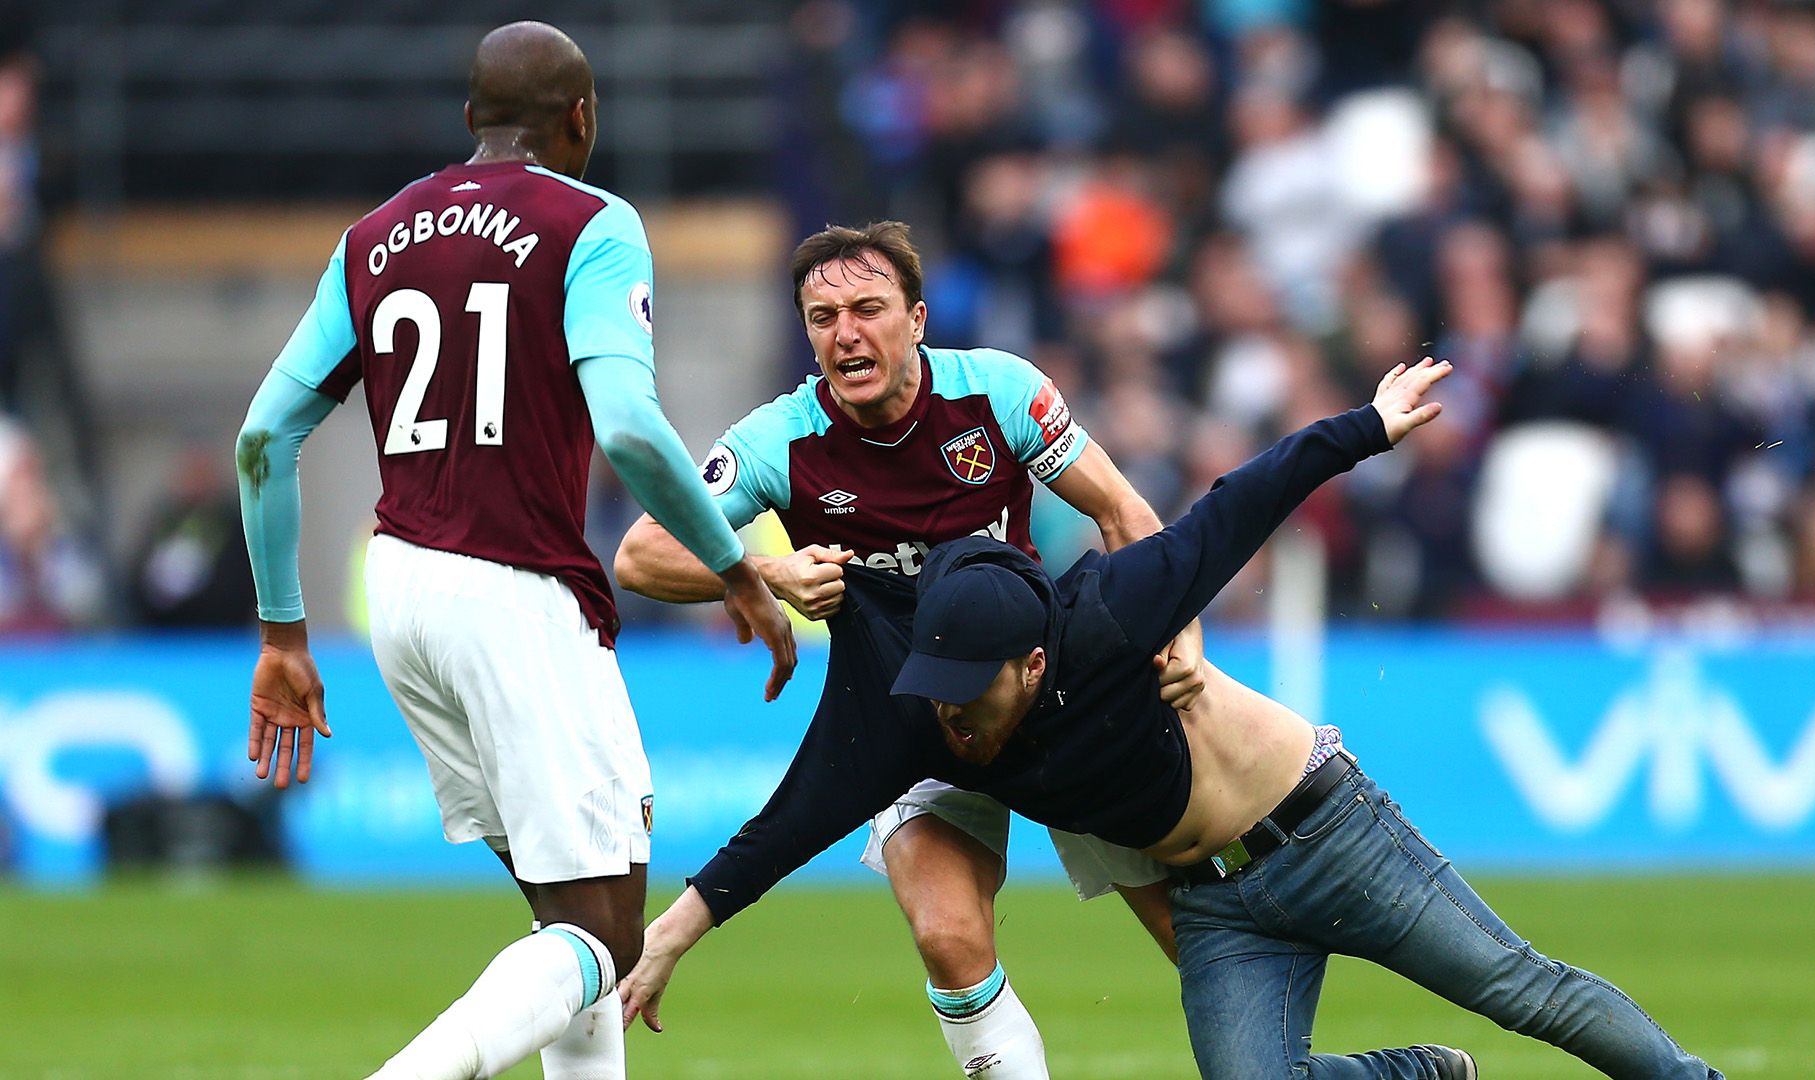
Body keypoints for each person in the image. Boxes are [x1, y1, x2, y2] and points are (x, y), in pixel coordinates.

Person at [623, 360, 1726, 1080]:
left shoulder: (1109, 614)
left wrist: (1370, 425)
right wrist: (670, 936)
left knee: (1522, 992)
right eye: (936, 692)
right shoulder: (924, 720)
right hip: (1215, 906)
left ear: (1036, 658)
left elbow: (1239, 504)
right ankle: (1416, 1077)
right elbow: (791, 824)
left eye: (970, 690)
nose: (950, 718)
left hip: (1325, 836)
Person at [234, 22, 795, 1080]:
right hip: (517, 591)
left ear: (470, 123)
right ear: (582, 119)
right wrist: (734, 568)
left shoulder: (374, 235)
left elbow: (264, 435)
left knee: (563, 913)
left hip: (400, 587)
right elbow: (628, 429)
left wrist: (280, 629)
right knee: (608, 936)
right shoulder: (594, 223)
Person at [614, 219, 1204, 1079]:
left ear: (918, 319)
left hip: (1045, 693)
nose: (845, 333)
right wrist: (769, 571)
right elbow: (641, 554)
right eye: (822, 317)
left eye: (867, 308)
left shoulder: (996, 391)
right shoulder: (781, 439)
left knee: (1191, 937)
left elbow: (1123, 514)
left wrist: (1179, 635)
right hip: (919, 712)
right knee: (947, 934)